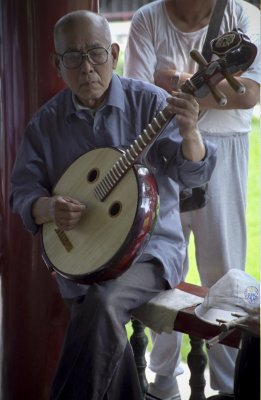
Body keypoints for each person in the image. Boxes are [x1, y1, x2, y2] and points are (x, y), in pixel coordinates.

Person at [9, 10, 217, 400]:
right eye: (72, 57)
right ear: (57, 63)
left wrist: (191, 132)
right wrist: (47, 208)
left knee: (101, 305)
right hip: (83, 258)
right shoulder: (46, 124)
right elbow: (21, 192)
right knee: (99, 320)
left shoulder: (152, 104)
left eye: (96, 53)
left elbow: (193, 177)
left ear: (115, 53)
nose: (86, 67)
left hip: (150, 251)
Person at [124, 1, 260, 399]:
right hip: (166, 145)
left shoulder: (240, 14)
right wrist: (206, 91)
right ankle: (163, 378)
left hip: (227, 145)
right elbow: (139, 88)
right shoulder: (147, 19)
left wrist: (184, 84)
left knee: (224, 267)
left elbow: (250, 93)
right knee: (166, 264)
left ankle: (230, 384)